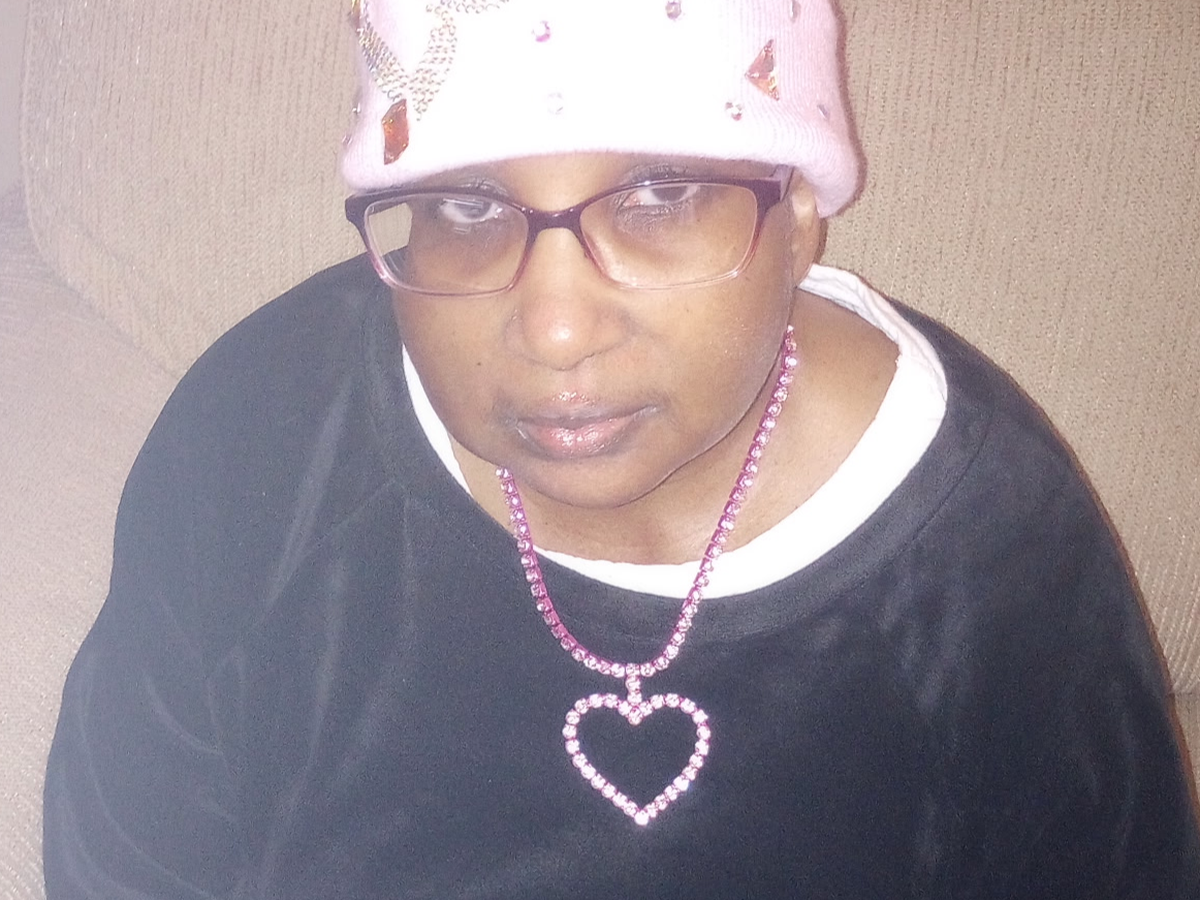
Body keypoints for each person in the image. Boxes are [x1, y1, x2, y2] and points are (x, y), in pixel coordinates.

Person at [41, 0, 1200, 896]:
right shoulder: (269, 431)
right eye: (467, 207)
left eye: (659, 197)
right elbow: (132, 846)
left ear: (798, 220)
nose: (555, 328)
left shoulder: (988, 554)